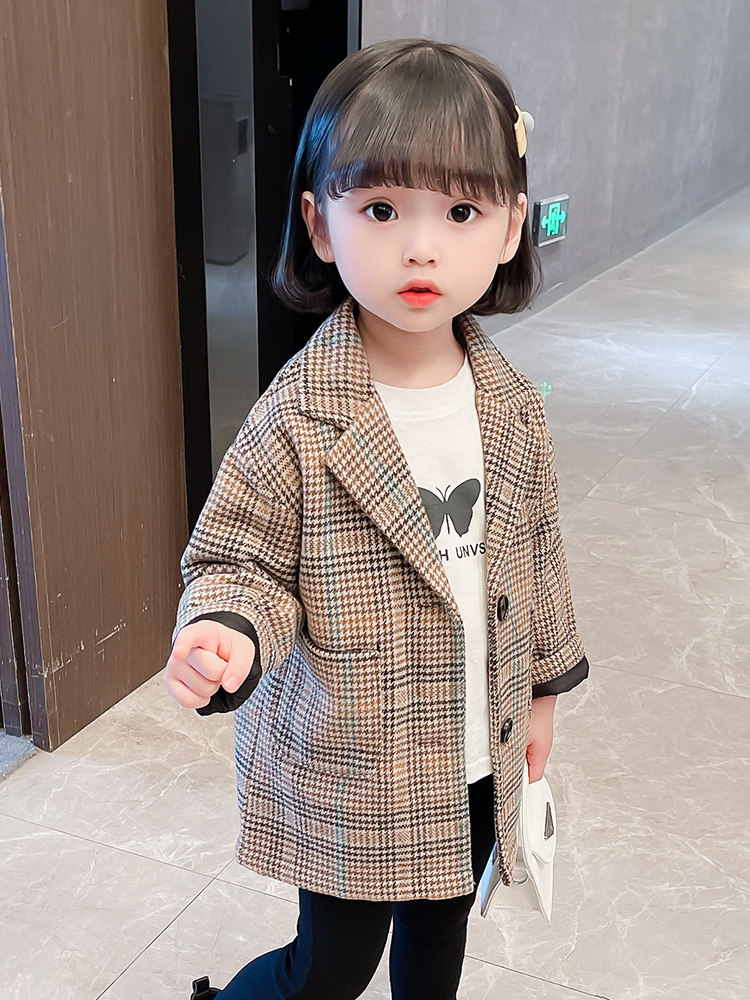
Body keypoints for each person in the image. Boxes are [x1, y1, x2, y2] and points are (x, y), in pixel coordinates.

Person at [164, 37, 589, 1000]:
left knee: (440, 942)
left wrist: (543, 693)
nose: (421, 247)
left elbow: (538, 554)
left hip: (473, 746)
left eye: (462, 211)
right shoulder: (299, 414)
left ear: (512, 225)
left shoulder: (512, 404)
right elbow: (239, 559)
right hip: (356, 761)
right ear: (320, 224)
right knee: (329, 966)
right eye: (383, 210)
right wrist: (226, 630)